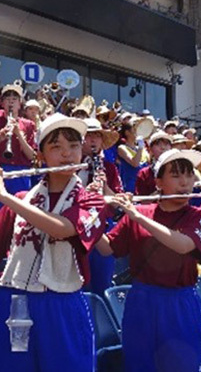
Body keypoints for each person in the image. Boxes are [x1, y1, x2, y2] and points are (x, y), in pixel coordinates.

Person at [0, 113, 109, 371]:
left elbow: (64, 229)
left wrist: (2, 195)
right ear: (40, 156)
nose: (67, 154)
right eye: (56, 147)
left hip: (63, 304)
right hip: (15, 303)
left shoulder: (92, 201)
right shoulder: (23, 199)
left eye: (74, 146)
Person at [97, 149, 201, 372]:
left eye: (189, 175)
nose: (185, 183)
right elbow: (107, 248)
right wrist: (93, 212)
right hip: (142, 299)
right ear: (158, 181)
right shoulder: (140, 211)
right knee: (140, 364)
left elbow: (183, 245)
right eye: (176, 176)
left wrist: (138, 217)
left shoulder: (197, 215)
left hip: (181, 300)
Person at [79, 118, 122, 296]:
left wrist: (103, 185)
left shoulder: (109, 168)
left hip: (103, 227)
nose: (93, 140)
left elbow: (118, 202)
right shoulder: (70, 165)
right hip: (77, 228)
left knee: (102, 283)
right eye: (89, 136)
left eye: (97, 136)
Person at [0, 82, 37, 217]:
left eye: (14, 99)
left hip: (21, 172)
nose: (11, 102)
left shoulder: (28, 124)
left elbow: (32, 156)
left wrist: (19, 136)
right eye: (7, 98)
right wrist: (0, 139)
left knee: (20, 214)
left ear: (20, 104)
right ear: (2, 103)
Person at [135, 131, 172, 196]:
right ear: (150, 149)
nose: (162, 148)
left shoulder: (180, 170)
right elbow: (141, 200)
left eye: (166, 144)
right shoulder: (144, 173)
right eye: (158, 144)